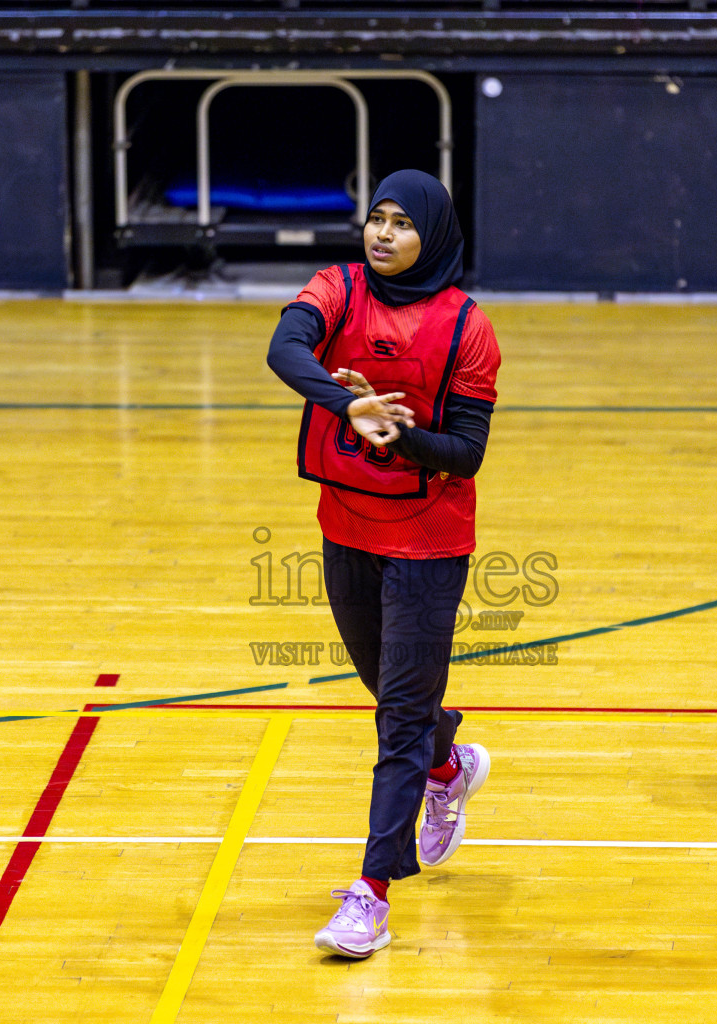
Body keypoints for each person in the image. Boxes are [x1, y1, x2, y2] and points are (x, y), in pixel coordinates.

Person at [266, 169, 500, 958]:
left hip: (430, 542)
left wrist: (395, 428)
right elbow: (284, 347)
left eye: (403, 224)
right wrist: (348, 406)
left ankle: (371, 894)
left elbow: (466, 454)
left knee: (396, 715)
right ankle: (448, 763)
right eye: (377, 218)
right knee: (392, 692)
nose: (384, 233)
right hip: (347, 526)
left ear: (431, 236)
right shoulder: (338, 287)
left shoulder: (468, 326)